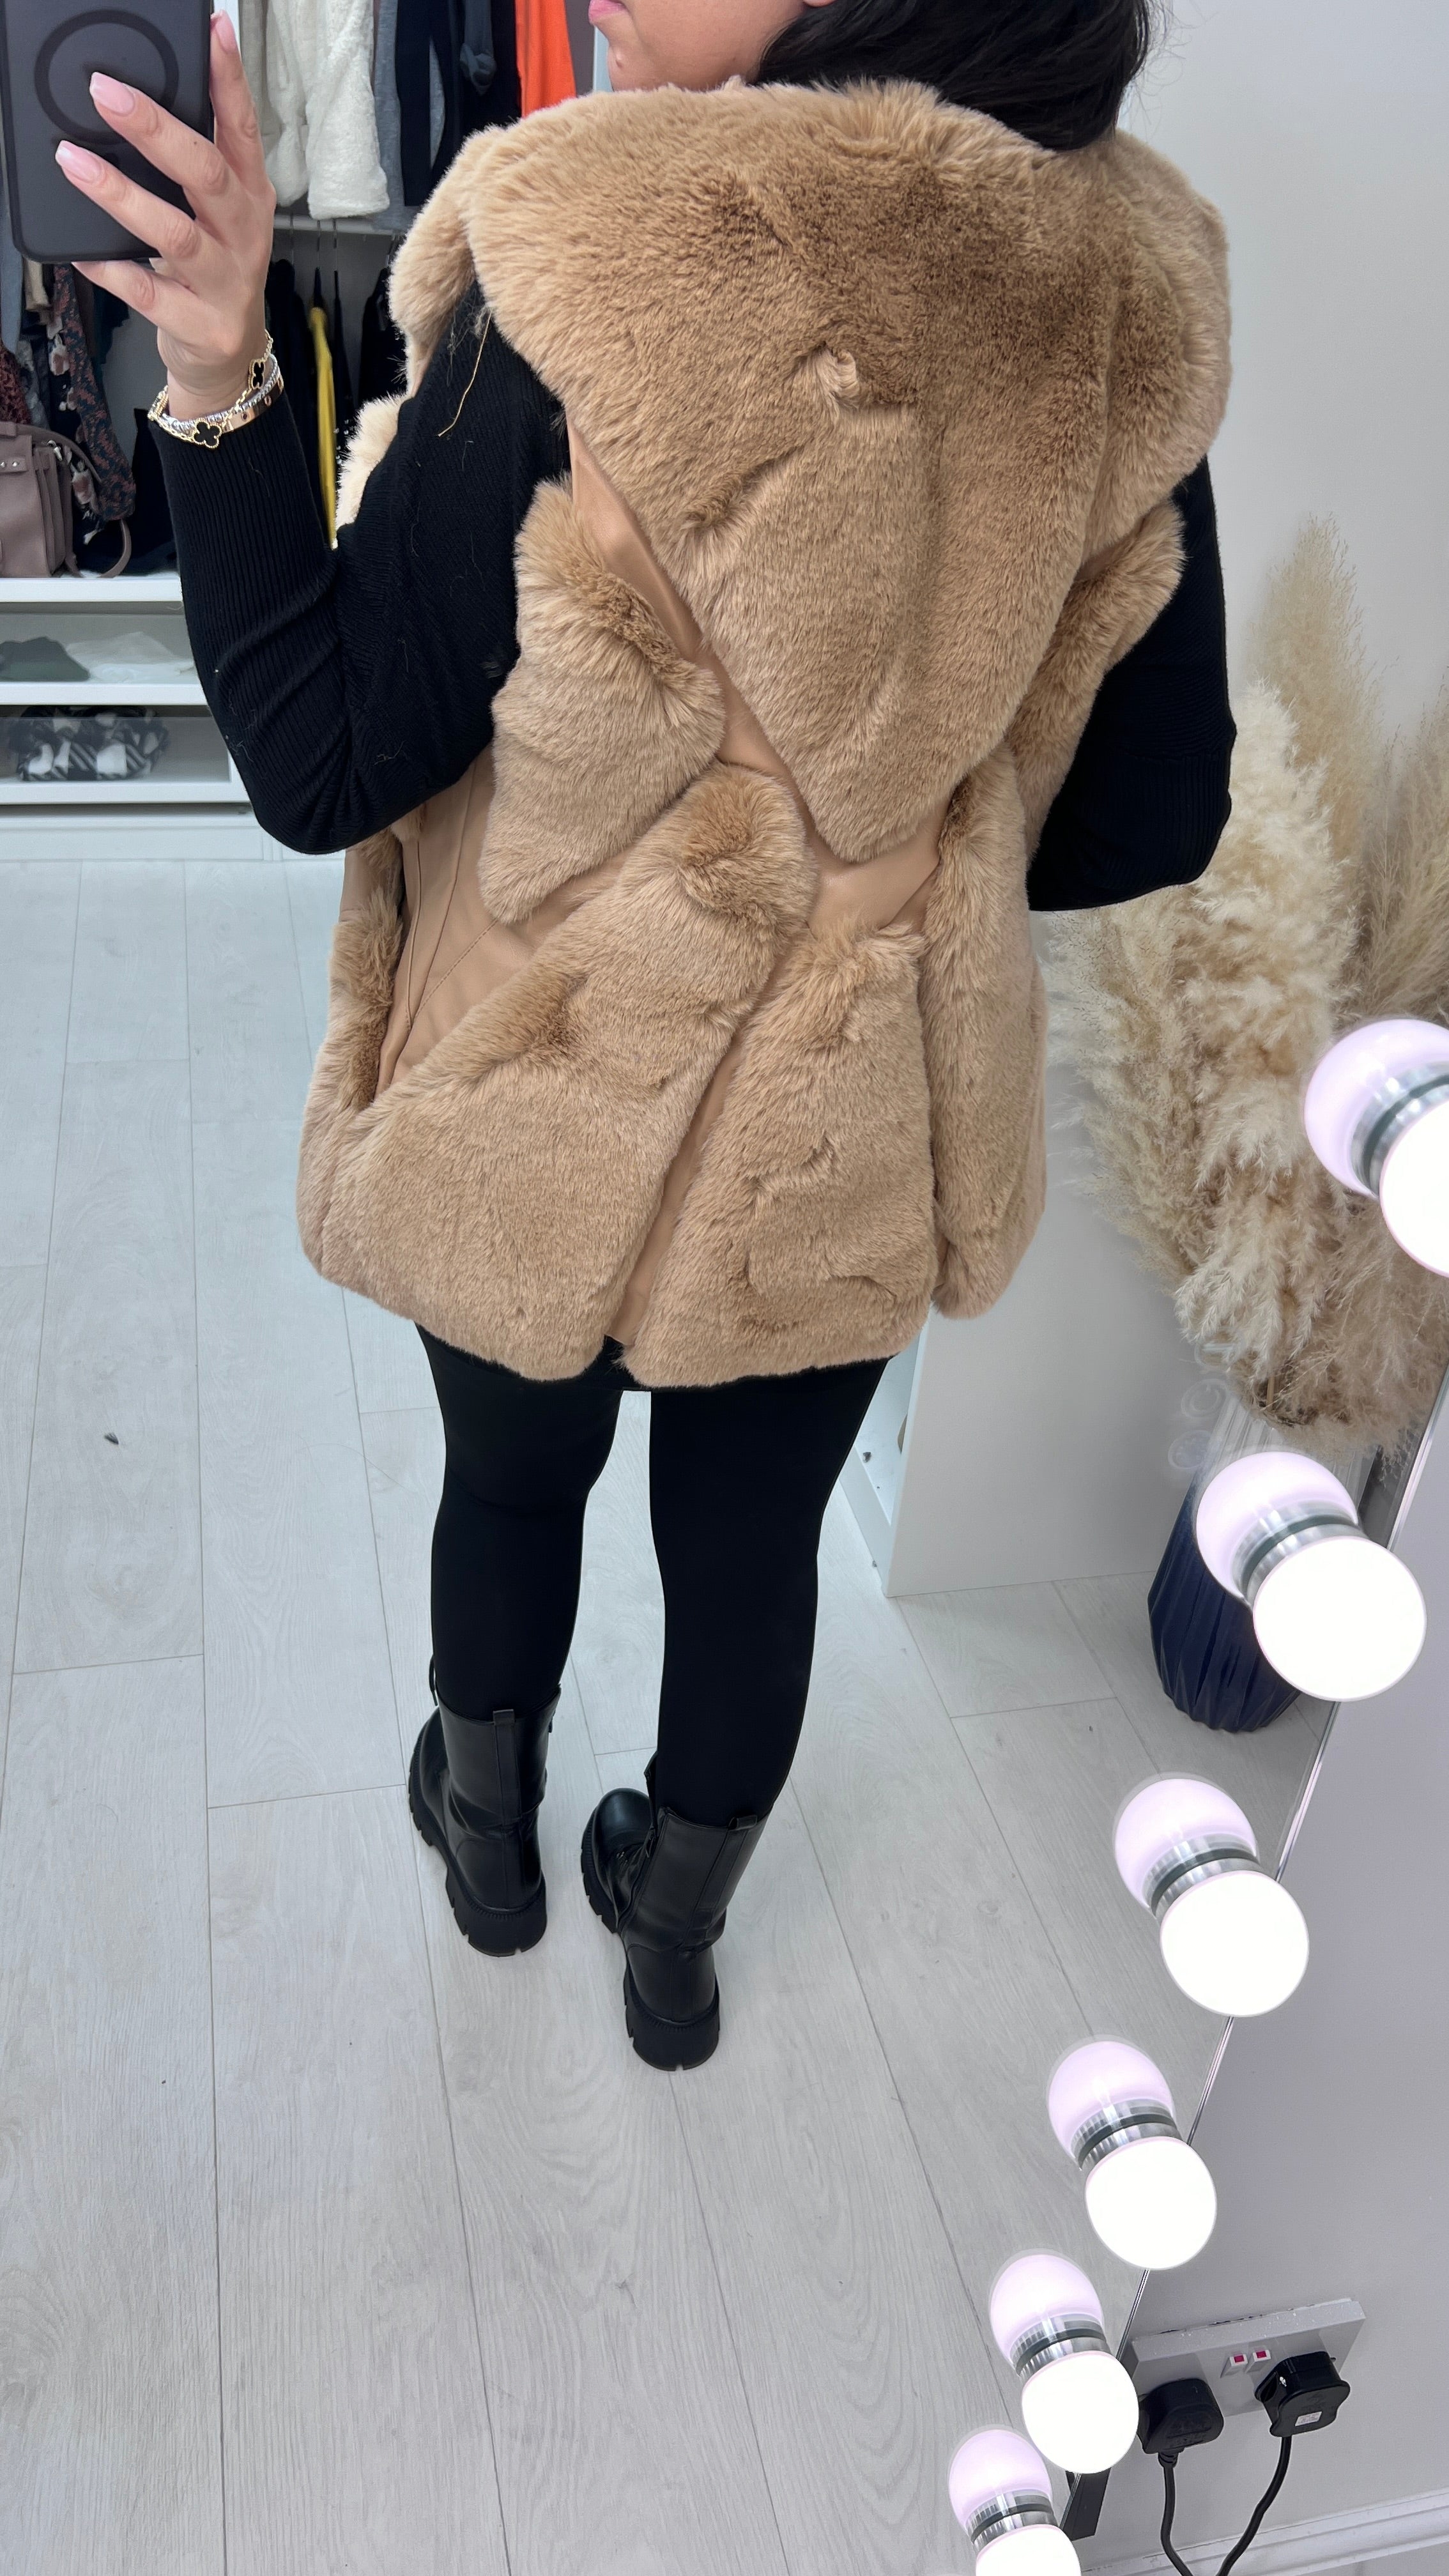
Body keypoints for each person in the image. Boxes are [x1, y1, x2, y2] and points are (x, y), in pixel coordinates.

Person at [61, 0, 1234, 2071]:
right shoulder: (1125, 285)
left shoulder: (589, 251)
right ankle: (674, 1938)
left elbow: (326, 766)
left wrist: (225, 370)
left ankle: (486, 1845)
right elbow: (1152, 812)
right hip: (842, 1125)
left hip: (546, 1069)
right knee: (750, 1548)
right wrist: (879, 844)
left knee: (509, 1488)